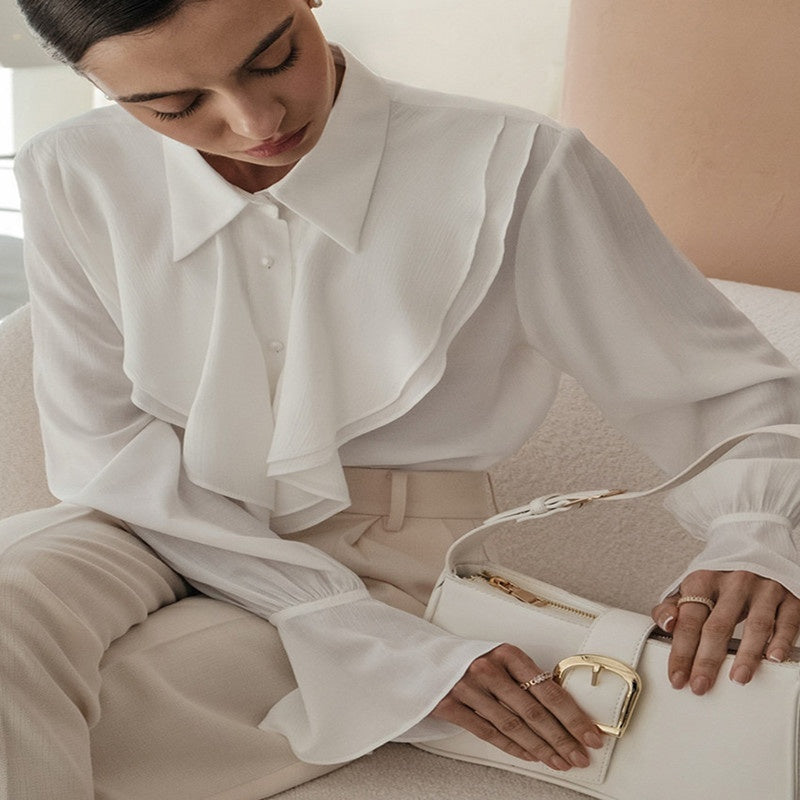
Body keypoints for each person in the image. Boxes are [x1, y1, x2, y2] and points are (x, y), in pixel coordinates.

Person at [3, 0, 800, 797]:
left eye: (274, 57)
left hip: (385, 560)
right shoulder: (71, 169)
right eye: (174, 105)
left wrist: (753, 533)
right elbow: (102, 444)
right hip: (152, 519)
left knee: (90, 725)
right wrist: (340, 626)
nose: (253, 121)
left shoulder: (513, 165)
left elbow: (719, 388)